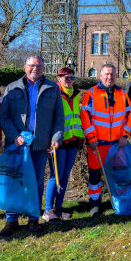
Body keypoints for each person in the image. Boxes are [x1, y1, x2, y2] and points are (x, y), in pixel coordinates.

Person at [0, 56, 64, 236]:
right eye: (32, 65)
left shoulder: (53, 88)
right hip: (16, 146)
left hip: (40, 146)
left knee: (36, 183)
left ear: (44, 69)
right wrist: (14, 136)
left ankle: (33, 218)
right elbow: (3, 116)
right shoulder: (12, 87)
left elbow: (59, 117)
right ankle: (11, 220)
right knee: (12, 181)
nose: (35, 68)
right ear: (25, 67)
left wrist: (57, 137)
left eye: (39, 66)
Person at [80, 64, 131, 216]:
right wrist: (91, 138)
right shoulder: (91, 94)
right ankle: (95, 205)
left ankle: (118, 201)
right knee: (95, 176)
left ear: (115, 76)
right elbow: (86, 117)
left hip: (117, 144)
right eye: (106, 74)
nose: (109, 77)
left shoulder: (122, 94)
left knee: (117, 174)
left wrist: (125, 135)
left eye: (112, 74)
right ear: (100, 75)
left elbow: (129, 115)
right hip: (97, 144)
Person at [42, 67, 83, 223]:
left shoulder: (75, 94)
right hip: (57, 142)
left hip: (73, 140)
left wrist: (80, 138)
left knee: (65, 176)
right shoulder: (53, 93)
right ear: (58, 78)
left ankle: (58, 208)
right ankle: (48, 210)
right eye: (66, 78)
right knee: (55, 176)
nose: (69, 80)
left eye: (72, 78)